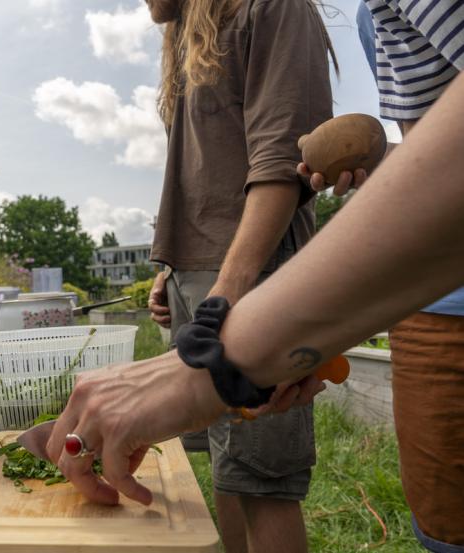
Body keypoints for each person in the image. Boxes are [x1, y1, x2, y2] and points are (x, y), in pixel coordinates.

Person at [44, 67, 464, 537]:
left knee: (263, 480)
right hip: (426, 298)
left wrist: (218, 357)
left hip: (415, 304)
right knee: (439, 526)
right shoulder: (185, 48)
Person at [144, 0, 335, 550]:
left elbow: (280, 164)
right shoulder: (188, 30)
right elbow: (203, 167)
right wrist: (170, 265)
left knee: (265, 485)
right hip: (199, 276)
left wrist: (221, 302)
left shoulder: (274, 7)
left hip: (252, 280)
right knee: (230, 470)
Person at [299, 2, 464, 550]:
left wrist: (258, 337)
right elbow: (439, 158)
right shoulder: (376, 14)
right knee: (444, 531)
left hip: (447, 307)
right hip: (434, 301)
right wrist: (387, 163)